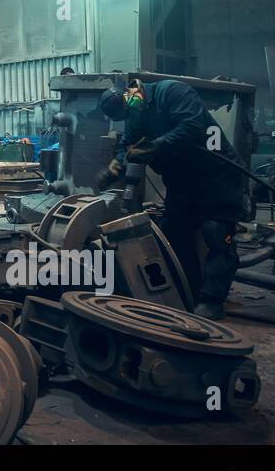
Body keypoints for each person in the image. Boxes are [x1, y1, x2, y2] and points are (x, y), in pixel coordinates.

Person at [96, 77, 243, 320]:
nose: (129, 115)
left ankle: (212, 300)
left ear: (131, 93)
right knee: (172, 234)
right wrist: (116, 164)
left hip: (216, 176)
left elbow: (192, 126)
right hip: (182, 181)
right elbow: (128, 142)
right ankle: (189, 292)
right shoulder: (135, 111)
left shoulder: (173, 92)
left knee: (217, 233)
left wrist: (155, 146)